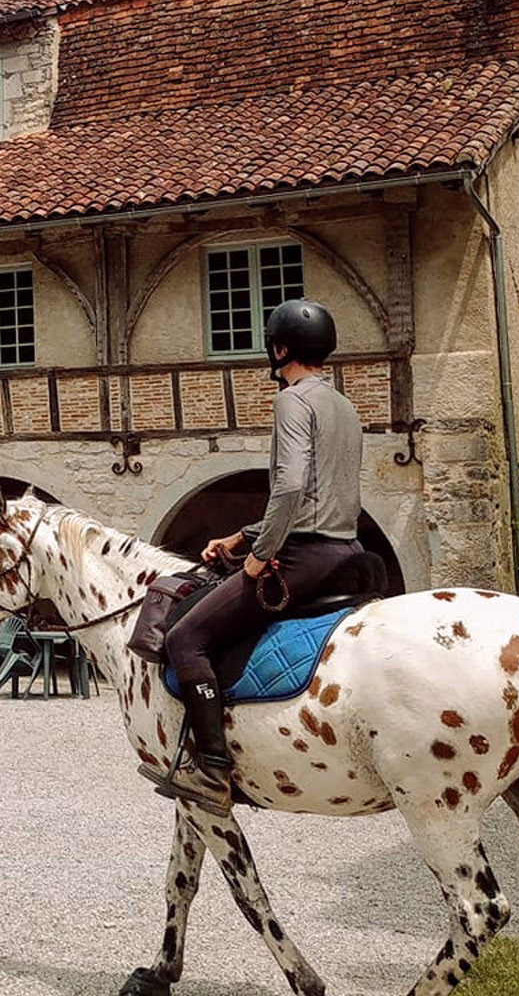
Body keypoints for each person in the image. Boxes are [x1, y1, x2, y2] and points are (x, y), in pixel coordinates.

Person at [152, 299, 365, 812]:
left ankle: (212, 770)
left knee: (186, 637)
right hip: (349, 550)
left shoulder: (293, 401)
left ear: (279, 347)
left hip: (303, 557)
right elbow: (320, 494)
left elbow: (291, 489)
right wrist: (240, 538)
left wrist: (259, 555)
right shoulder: (344, 406)